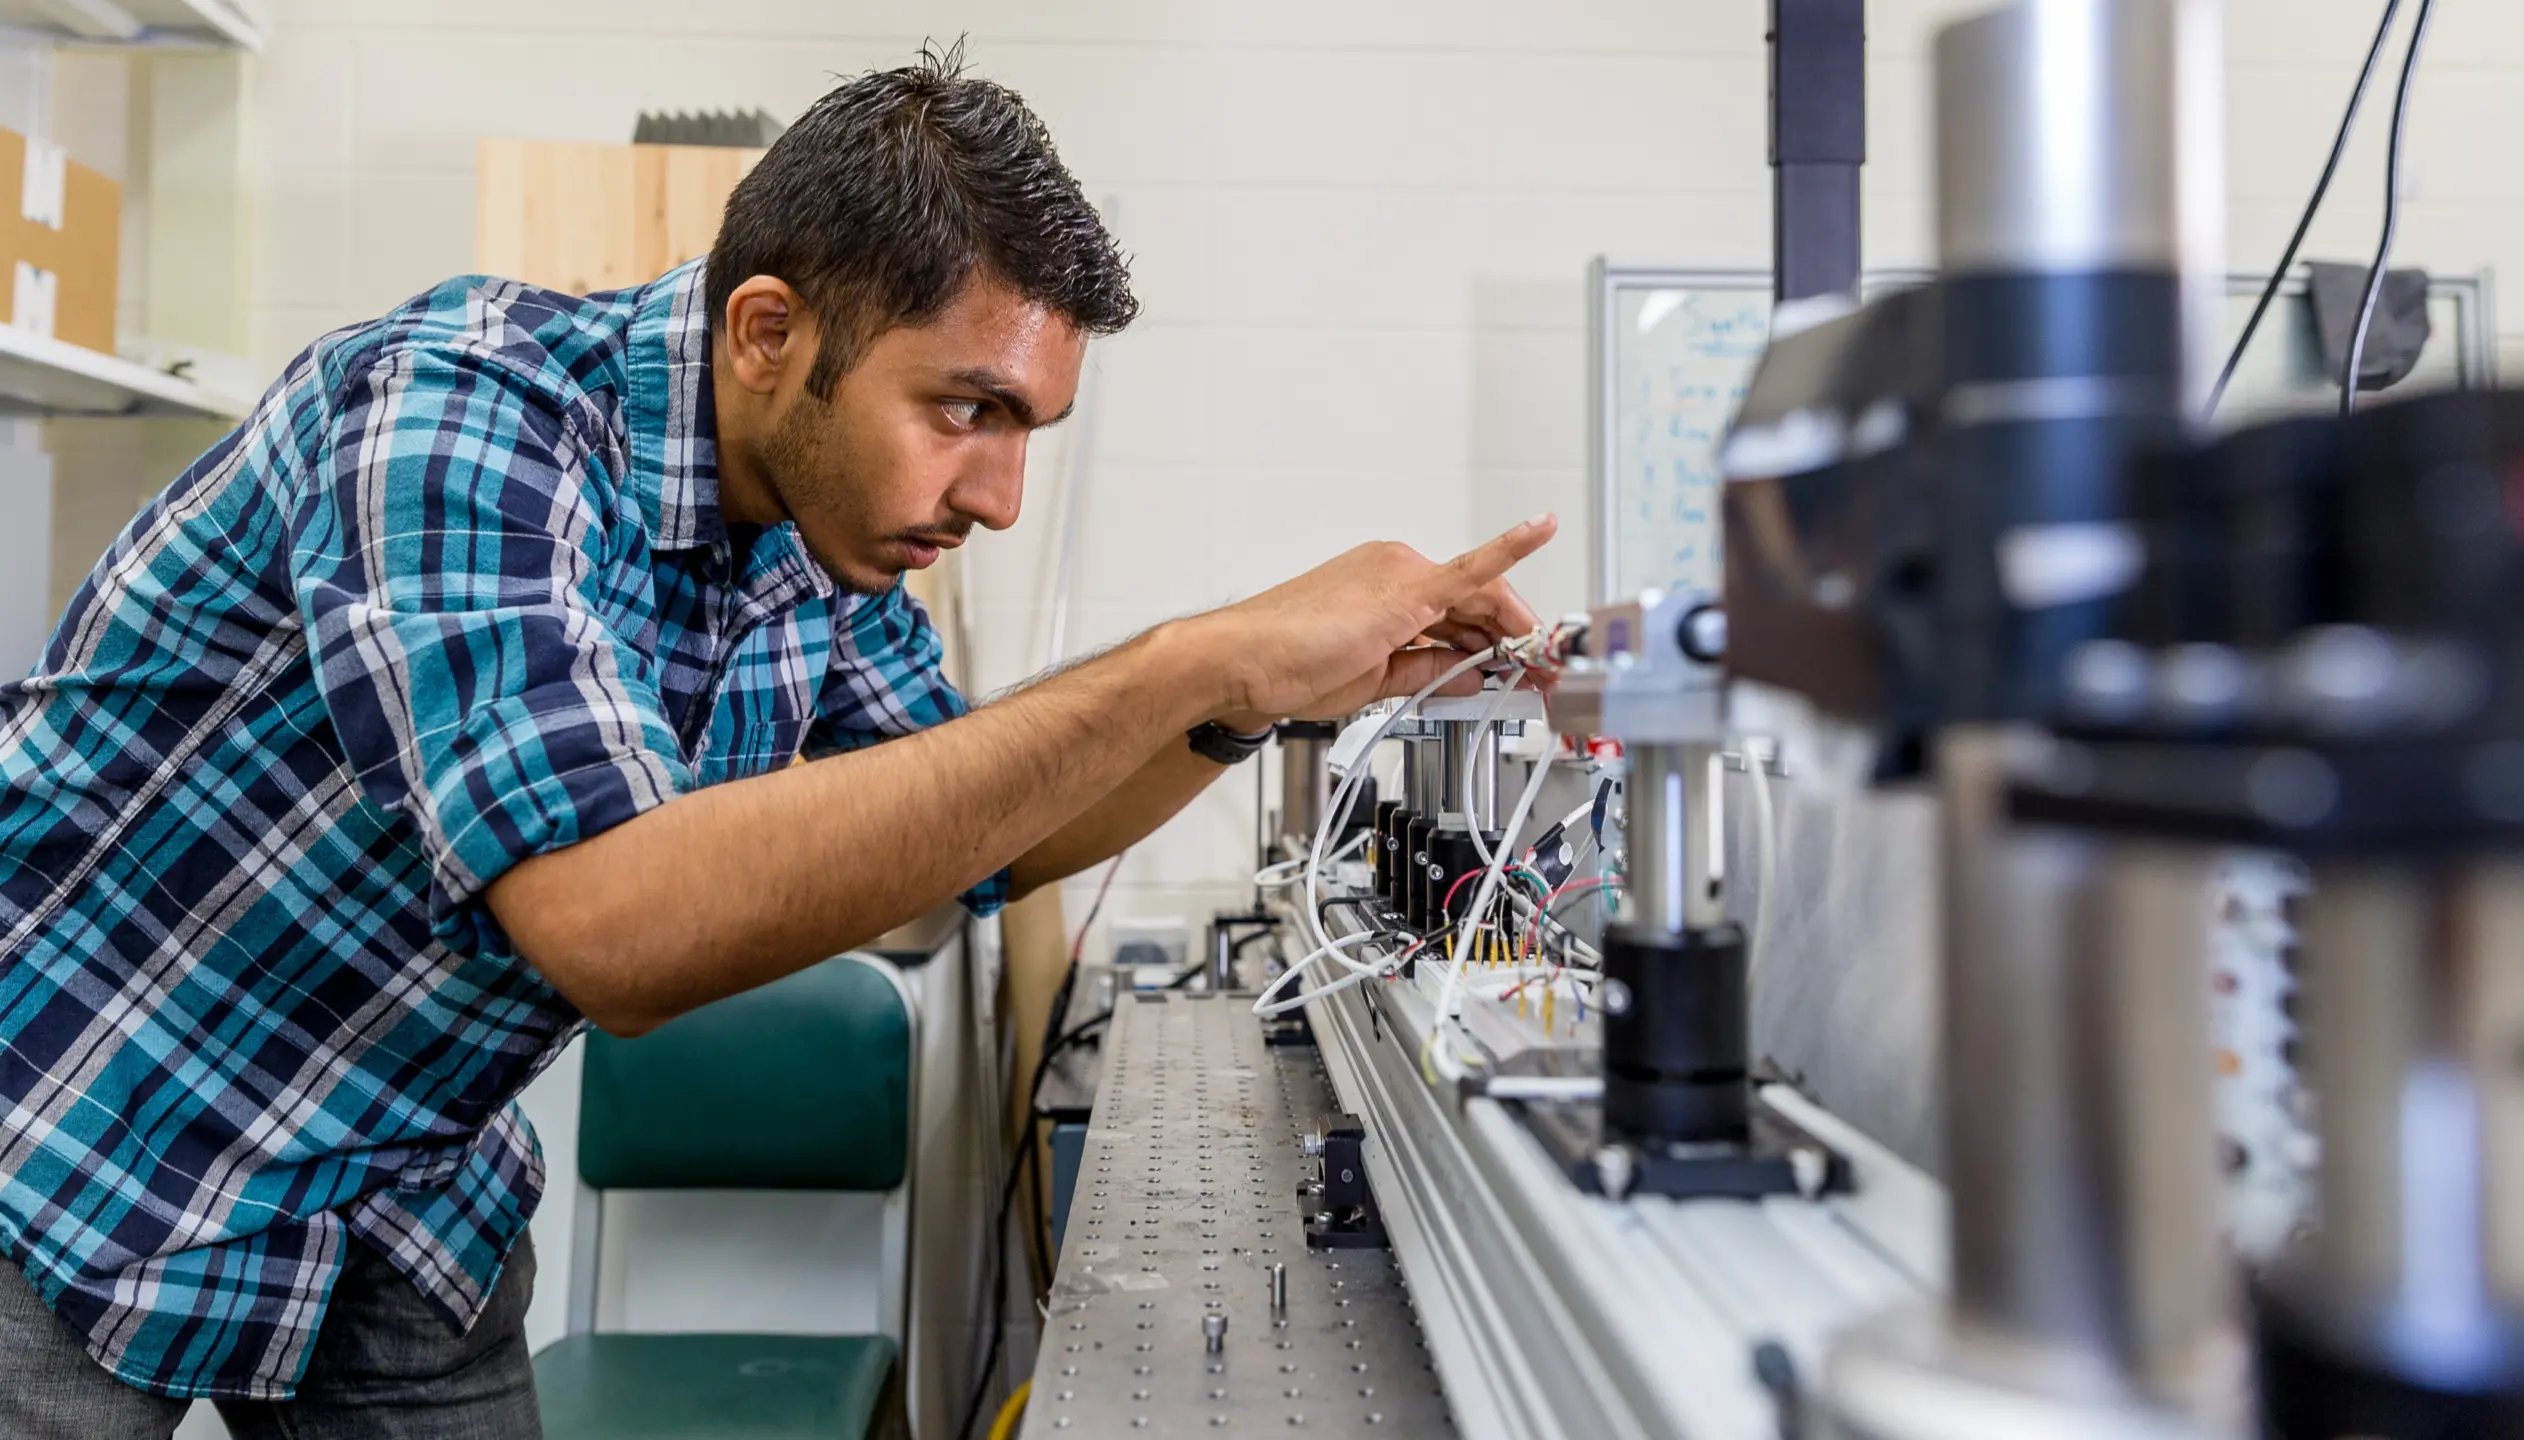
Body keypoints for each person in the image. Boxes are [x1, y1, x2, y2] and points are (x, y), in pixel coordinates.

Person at [0, 49, 1552, 1440]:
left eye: (1028, 435)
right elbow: (616, 925)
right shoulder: (467, 417)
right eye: (965, 409)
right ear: (765, 333)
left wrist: (1253, 701)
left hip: (401, 1180)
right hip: (93, 1139)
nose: (998, 496)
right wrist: (1189, 654)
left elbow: (984, 828)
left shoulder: (820, 536)